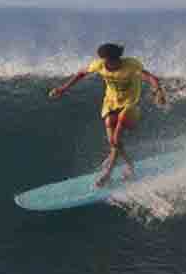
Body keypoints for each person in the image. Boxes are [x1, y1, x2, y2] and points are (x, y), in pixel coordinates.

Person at [49, 43, 166, 187]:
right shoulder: (100, 65)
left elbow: (150, 77)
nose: (102, 61)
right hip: (110, 103)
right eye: (101, 59)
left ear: (114, 59)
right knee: (113, 142)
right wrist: (63, 88)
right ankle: (130, 165)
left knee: (116, 138)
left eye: (105, 59)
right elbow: (81, 73)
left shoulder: (130, 65)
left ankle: (107, 175)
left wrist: (158, 91)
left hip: (129, 104)